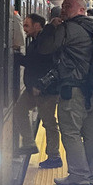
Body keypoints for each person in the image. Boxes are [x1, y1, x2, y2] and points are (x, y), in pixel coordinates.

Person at [35, 0, 93, 185]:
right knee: (92, 133)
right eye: (63, 6)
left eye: (68, 6)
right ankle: (90, 173)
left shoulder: (68, 28)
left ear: (81, 10)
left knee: (70, 132)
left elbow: (44, 48)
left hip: (74, 90)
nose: (63, 9)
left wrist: (51, 26)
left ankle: (78, 175)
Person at [14, 13, 62, 167]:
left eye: (27, 25)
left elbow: (38, 63)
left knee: (49, 123)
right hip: (33, 88)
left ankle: (54, 157)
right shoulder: (35, 41)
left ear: (37, 25)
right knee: (19, 110)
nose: (25, 29)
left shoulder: (44, 41)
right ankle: (29, 143)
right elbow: (32, 62)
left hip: (46, 90)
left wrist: (16, 56)